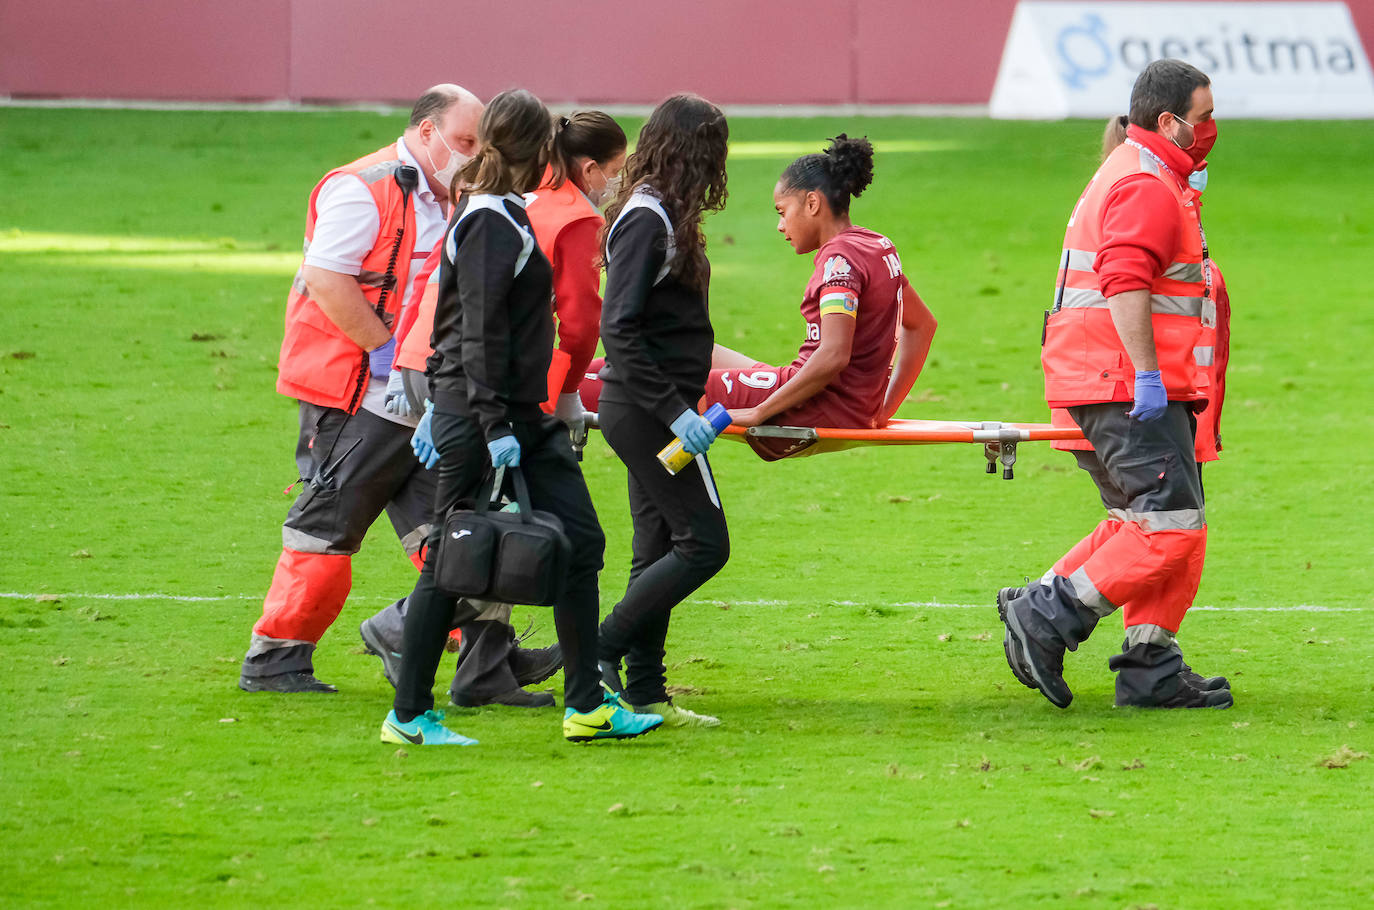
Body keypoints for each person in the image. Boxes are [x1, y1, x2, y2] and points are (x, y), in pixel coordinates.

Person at [380, 89, 660, 745]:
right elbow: (476, 333)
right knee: (452, 562)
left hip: (517, 416)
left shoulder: (505, 211)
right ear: (538, 149)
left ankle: (586, 705)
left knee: (583, 543)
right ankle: (409, 716)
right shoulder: (485, 220)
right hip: (490, 421)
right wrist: (489, 422)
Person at [997, 58, 1232, 710]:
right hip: (1125, 384)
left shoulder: (1141, 174)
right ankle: (1049, 612)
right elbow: (1124, 282)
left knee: (1157, 522)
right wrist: (1151, 376)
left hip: (1106, 377)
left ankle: (1148, 665)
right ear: (1169, 120)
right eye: (1205, 116)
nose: (1213, 127)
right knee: (1168, 528)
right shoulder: (1146, 185)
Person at [238, 84, 483, 693]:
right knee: (328, 529)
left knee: (462, 528)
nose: (472, 154)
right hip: (355, 395)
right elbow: (326, 279)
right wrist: (384, 355)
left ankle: (478, 660)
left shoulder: (452, 193)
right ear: (426, 131)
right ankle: (275, 660)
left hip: (417, 396)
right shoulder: (362, 186)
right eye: (464, 141)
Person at [577, 135, 937, 461]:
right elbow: (923, 325)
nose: (781, 226)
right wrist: (881, 409)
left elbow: (833, 355)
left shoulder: (839, 261)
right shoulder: (875, 245)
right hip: (833, 397)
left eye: (783, 212)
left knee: (660, 378)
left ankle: (546, 394)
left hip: (815, 406)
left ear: (812, 203)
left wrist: (758, 413)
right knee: (698, 350)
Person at [594, 94, 732, 728]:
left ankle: (646, 693)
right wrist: (676, 414)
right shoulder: (648, 219)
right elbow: (616, 330)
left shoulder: (657, 213)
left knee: (656, 549)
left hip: (653, 409)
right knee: (704, 545)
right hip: (651, 411)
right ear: (695, 153)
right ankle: (598, 651)